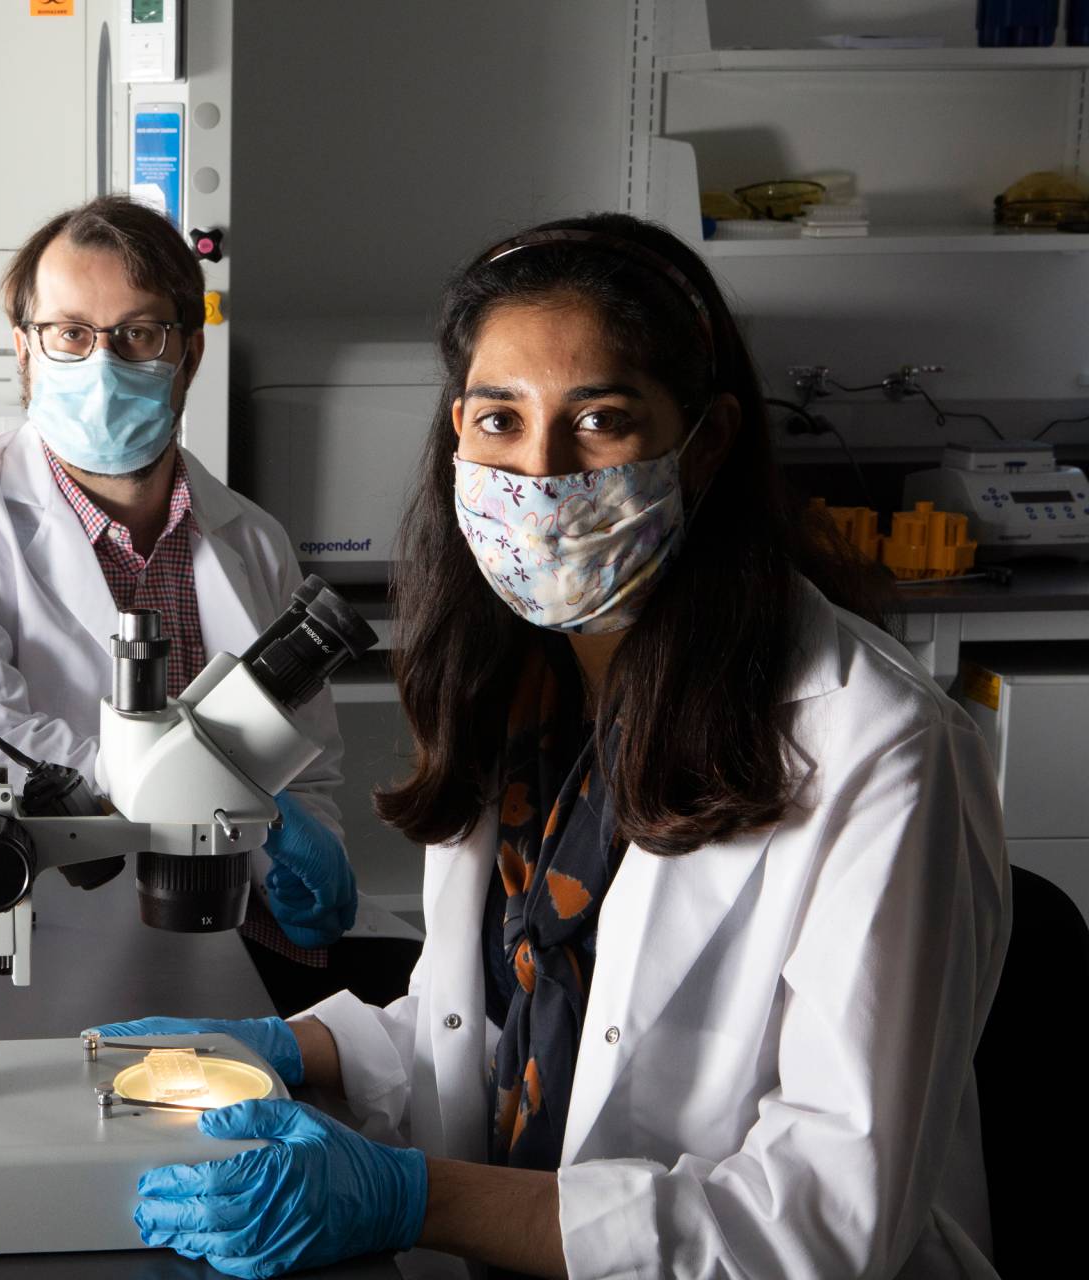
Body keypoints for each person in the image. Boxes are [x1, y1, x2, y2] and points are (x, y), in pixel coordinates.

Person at [98, 213, 1011, 1279]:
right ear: (457, 433)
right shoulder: (524, 688)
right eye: (501, 419)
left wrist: (413, 1197)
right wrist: (287, 1046)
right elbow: (504, 1020)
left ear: (706, 442)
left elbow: (823, 1223)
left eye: (600, 421)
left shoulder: (881, 747)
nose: (540, 473)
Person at [0, 196, 416, 1010]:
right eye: (70, 334)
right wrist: (214, 794)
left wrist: (313, 850)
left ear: (189, 354)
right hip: (57, 936)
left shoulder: (253, 538)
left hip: (245, 936)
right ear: (24, 349)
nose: (102, 364)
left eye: (137, 334)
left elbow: (305, 761)